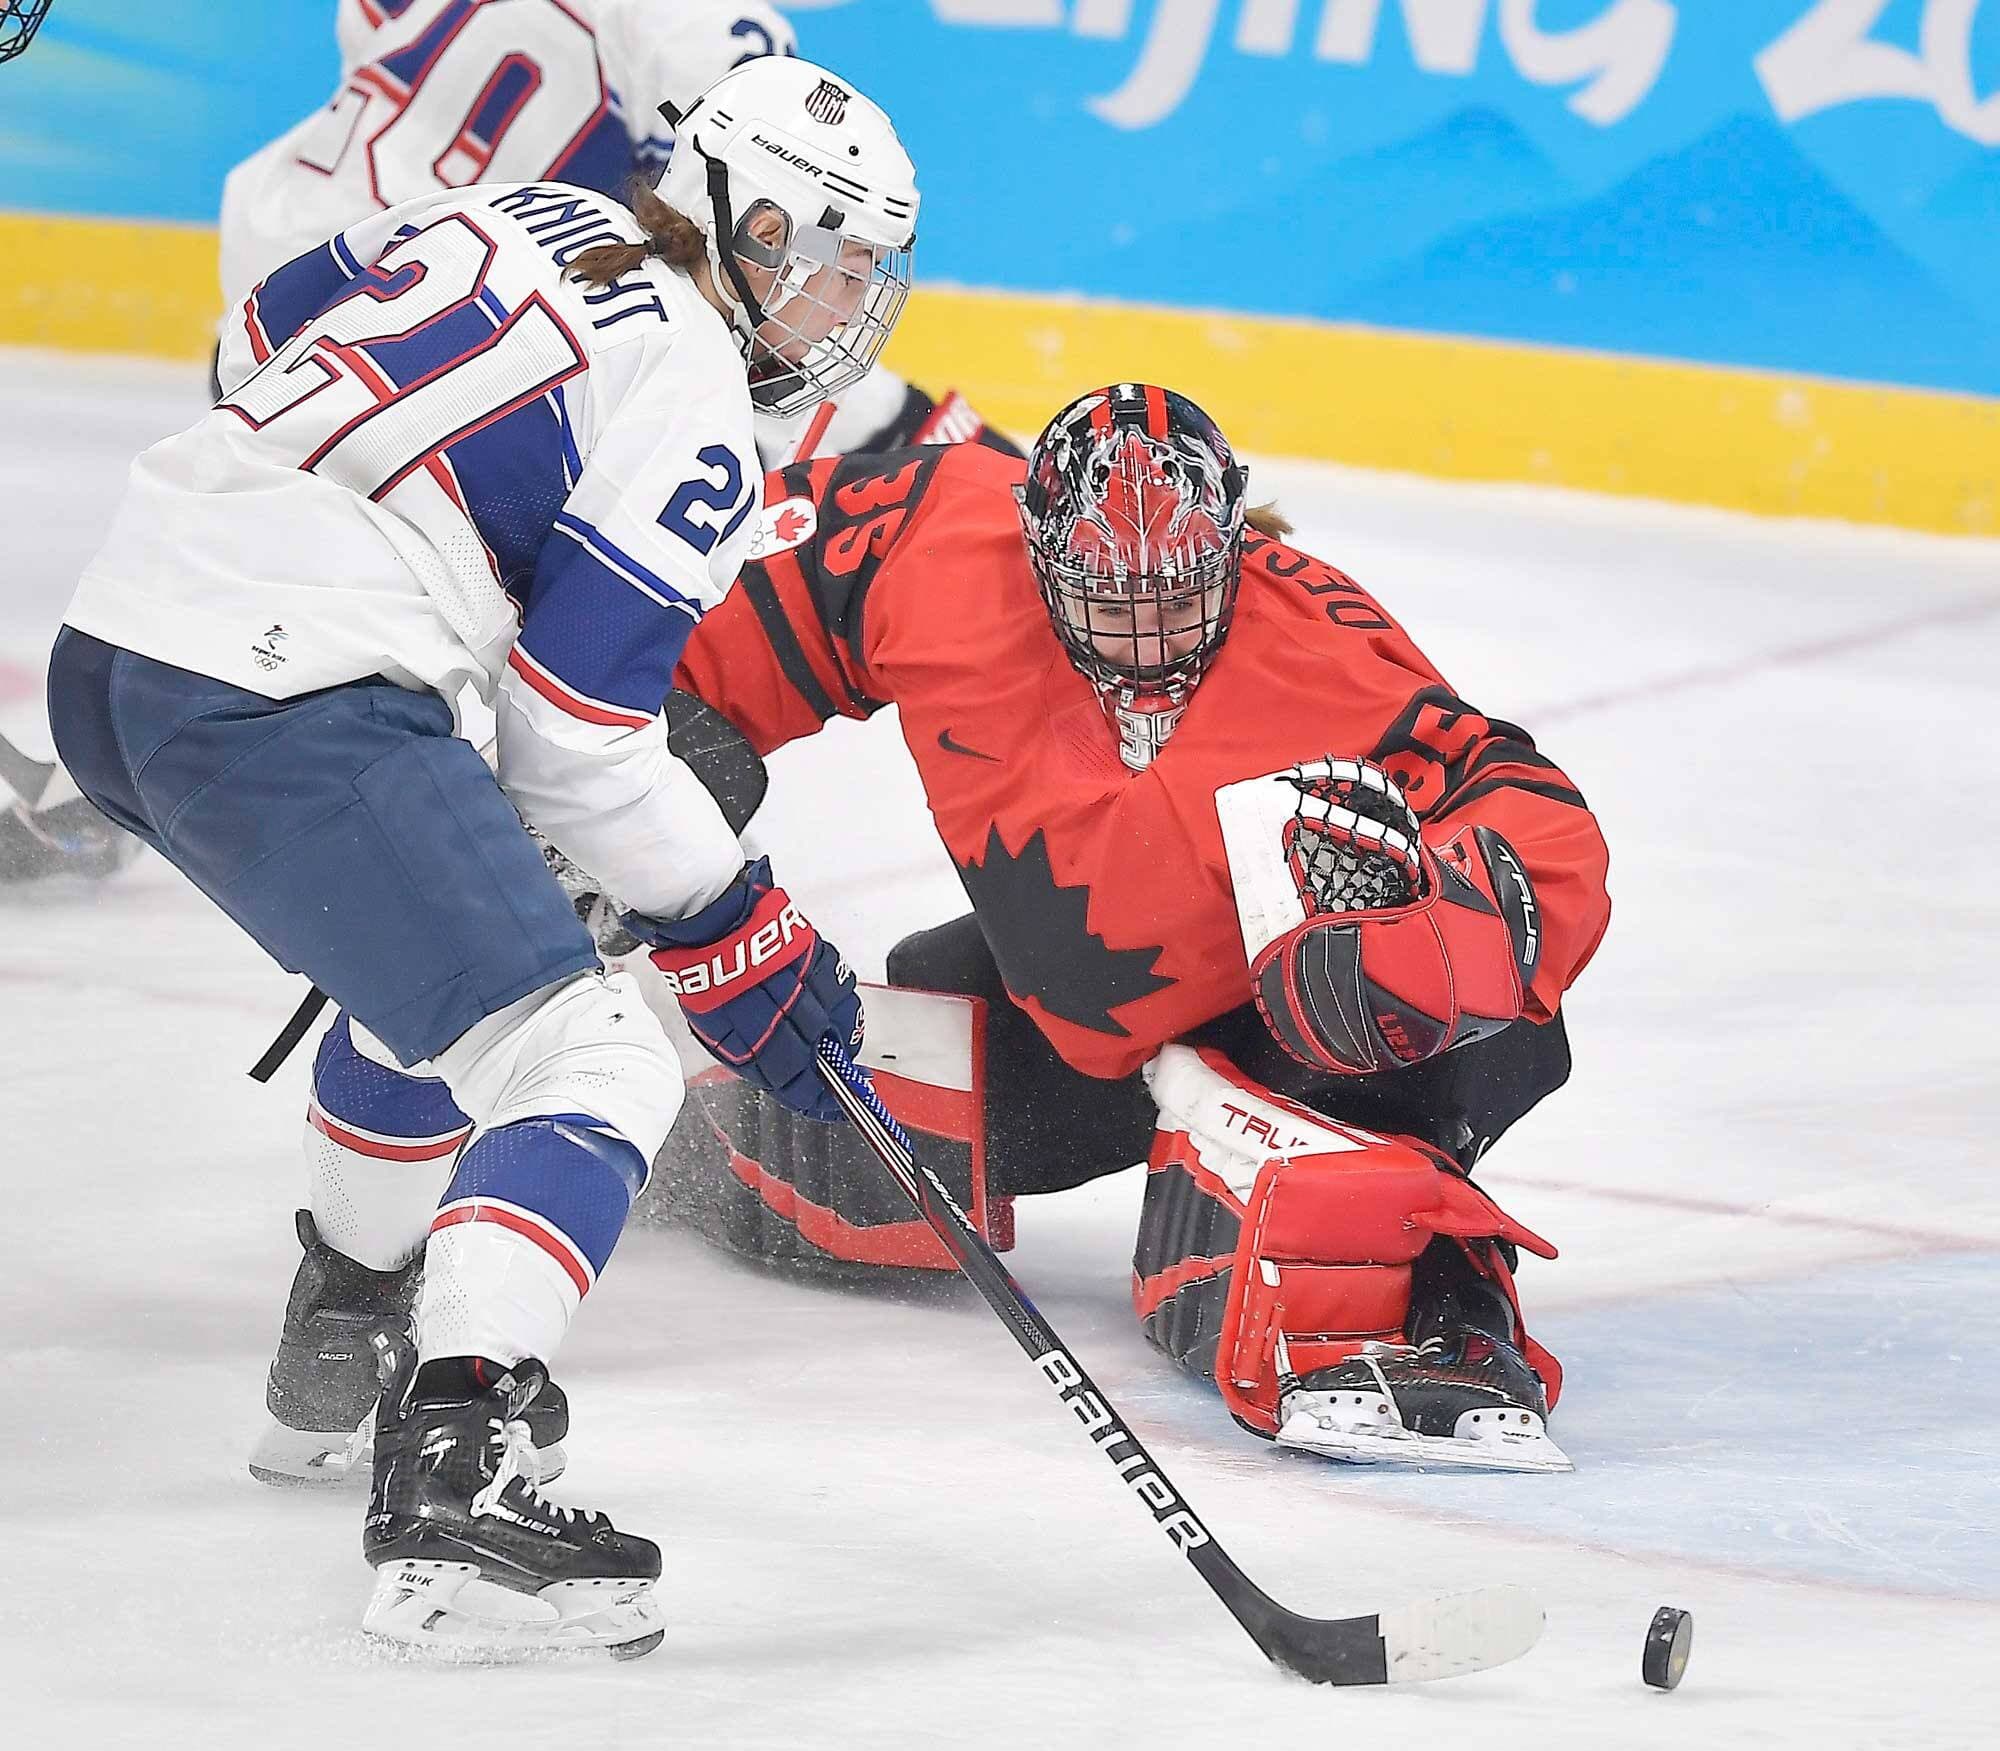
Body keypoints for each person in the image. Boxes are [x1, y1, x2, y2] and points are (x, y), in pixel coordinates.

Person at [284, 386, 1612, 1475]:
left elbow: (1528, 809)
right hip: (1063, 1021)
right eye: (1107, 597)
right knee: (836, 1141)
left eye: (1180, 595)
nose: (1147, 634)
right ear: (1035, 549)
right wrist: (638, 755)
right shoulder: (939, 539)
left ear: (1234, 551)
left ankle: (1453, 1296)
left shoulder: (1317, 632)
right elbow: (757, 617)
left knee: (1439, 1080)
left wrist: (1426, 951)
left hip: (1303, 1027)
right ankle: (627, 1154)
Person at [46, 55, 917, 1657]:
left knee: (452, 984)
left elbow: (270, 321)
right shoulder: (701, 399)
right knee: (592, 1060)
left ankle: (346, 1341)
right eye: (842, 262)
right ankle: (456, 1453)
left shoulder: (542, 207)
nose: (857, 307)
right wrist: (738, 922)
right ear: (759, 222)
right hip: (286, 688)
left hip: (120, 642)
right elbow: (579, 735)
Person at [219, 0, 1010, 459]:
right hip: (437, 349)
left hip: (280, 282)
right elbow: (754, 271)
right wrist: (949, 450)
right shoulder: (707, 24)